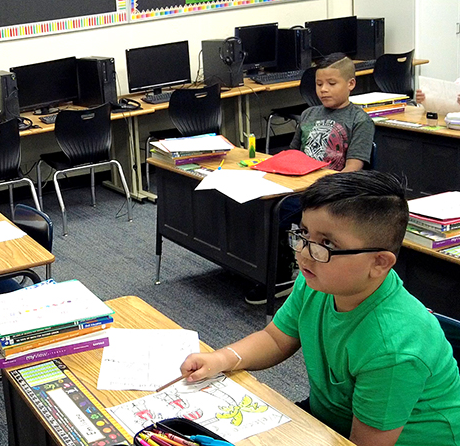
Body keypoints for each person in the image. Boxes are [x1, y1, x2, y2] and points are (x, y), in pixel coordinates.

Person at [183, 171, 460, 446]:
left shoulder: (394, 348)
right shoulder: (317, 281)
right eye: (303, 233)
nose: (304, 253)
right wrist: (222, 359)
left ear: (379, 263)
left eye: (327, 243)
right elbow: (276, 339)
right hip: (330, 420)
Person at [245, 53, 375, 304]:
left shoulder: (359, 120)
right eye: (319, 84)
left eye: (331, 84)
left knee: (276, 212)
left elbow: (353, 169)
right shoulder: (309, 114)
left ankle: (279, 276)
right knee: (254, 202)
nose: (323, 90)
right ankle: (257, 267)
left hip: (330, 194)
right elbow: (292, 155)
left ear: (351, 84)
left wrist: (317, 188)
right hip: (299, 186)